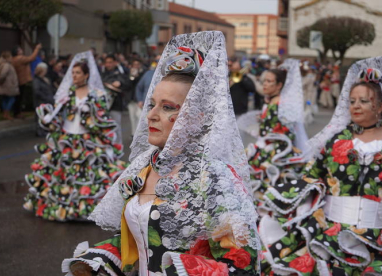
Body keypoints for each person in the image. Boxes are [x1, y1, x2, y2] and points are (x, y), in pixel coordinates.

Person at [62, 31, 260, 276]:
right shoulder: (145, 166)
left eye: (167, 107)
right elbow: (136, 238)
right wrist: (99, 260)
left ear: (197, 117)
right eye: (153, 103)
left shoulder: (214, 178)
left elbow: (242, 266)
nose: (151, 115)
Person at [259, 56, 382, 275]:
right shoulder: (336, 140)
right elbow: (312, 176)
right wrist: (281, 202)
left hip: (381, 238)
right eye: (352, 101)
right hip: (332, 235)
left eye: (364, 101)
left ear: (380, 105)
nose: (356, 106)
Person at [23, 51, 127, 221]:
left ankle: (91, 209)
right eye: (72, 73)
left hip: (88, 141)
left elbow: (103, 118)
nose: (74, 75)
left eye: (78, 73)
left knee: (91, 174)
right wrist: (48, 117)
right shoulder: (67, 93)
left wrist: (91, 114)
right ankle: (65, 208)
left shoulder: (96, 94)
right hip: (68, 139)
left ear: (87, 75)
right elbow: (56, 115)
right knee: (64, 175)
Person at [245, 59, 308, 211]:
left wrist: (268, 139)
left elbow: (286, 134)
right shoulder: (273, 103)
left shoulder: (279, 106)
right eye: (263, 81)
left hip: (275, 155)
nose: (264, 84)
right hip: (268, 150)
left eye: (269, 81)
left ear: (279, 85)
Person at [101, 54, 133, 144]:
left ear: (115, 63)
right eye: (106, 62)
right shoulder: (102, 73)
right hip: (103, 105)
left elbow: (128, 85)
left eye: (110, 62)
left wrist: (119, 83)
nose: (108, 65)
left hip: (115, 105)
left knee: (116, 127)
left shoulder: (121, 73)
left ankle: (118, 147)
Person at [11, 43, 42, 118]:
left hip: (19, 79)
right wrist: (37, 49)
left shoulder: (14, 59)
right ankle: (17, 113)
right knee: (19, 97)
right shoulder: (19, 58)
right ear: (17, 52)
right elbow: (31, 58)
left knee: (19, 97)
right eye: (20, 49)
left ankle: (18, 112)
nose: (22, 50)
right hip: (21, 80)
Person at [32, 62, 55, 137]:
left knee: (47, 116)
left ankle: (46, 129)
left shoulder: (46, 79)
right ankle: (39, 131)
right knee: (41, 116)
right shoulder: (37, 81)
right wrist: (45, 97)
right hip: (41, 101)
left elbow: (51, 88)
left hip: (48, 100)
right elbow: (36, 91)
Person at [0, 51, 19, 120]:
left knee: (5, 99)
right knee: (11, 99)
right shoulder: (7, 65)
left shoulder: (3, 64)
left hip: (5, 85)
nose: (11, 58)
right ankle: (7, 113)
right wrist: (2, 81)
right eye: (10, 57)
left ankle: (5, 113)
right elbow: (3, 75)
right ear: (7, 58)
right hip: (8, 85)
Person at [128, 59, 145, 135]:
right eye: (134, 64)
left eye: (137, 64)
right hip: (131, 99)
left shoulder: (143, 74)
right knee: (132, 118)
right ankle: (133, 133)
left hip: (139, 99)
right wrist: (132, 76)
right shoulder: (129, 74)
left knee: (139, 117)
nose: (136, 66)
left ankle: (139, 134)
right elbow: (128, 84)